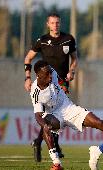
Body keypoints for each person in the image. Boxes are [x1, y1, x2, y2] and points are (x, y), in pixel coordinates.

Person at [30, 60, 103, 170]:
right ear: (38, 75)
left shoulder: (51, 72)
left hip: (69, 108)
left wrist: (63, 86)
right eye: (46, 74)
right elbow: (38, 115)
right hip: (54, 114)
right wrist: (44, 125)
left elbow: (59, 80)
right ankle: (56, 163)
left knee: (99, 123)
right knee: (45, 125)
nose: (50, 76)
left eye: (49, 72)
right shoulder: (35, 92)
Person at [24, 13, 77, 162]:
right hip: (45, 84)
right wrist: (28, 77)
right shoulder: (42, 40)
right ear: (48, 24)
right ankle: (49, 145)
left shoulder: (68, 39)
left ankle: (41, 142)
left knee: (59, 113)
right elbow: (28, 58)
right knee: (50, 115)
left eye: (57, 23)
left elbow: (75, 59)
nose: (55, 25)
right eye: (52, 23)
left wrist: (71, 71)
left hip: (61, 83)